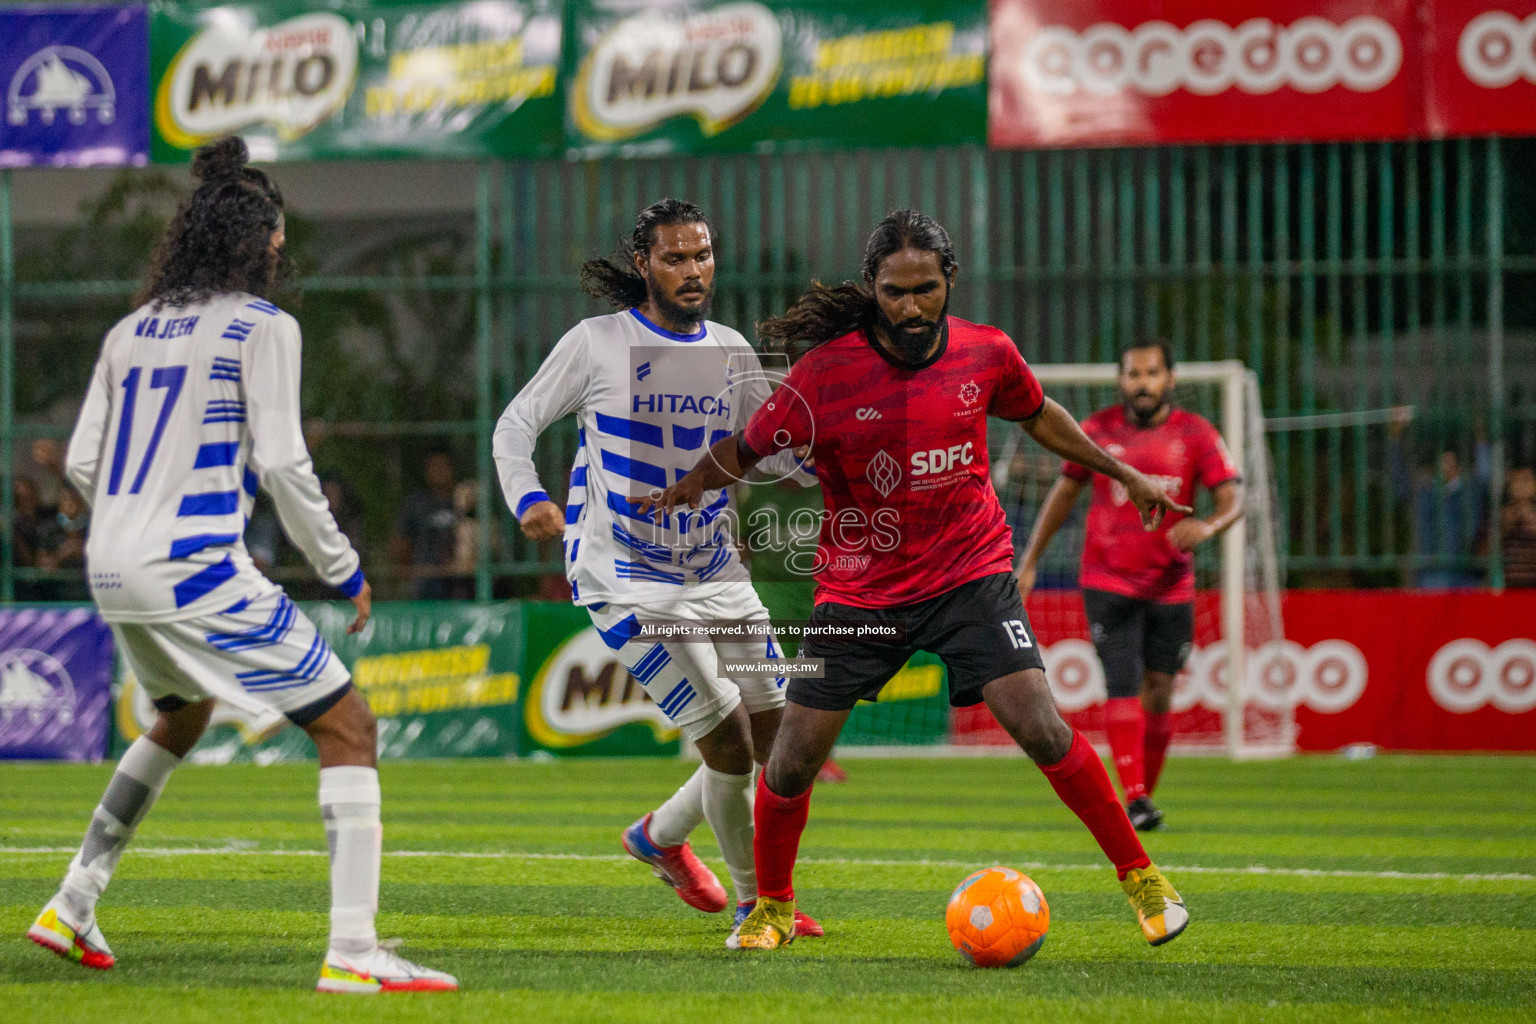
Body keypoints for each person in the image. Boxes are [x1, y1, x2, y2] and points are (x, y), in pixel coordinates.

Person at [636, 209, 1193, 951]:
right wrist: (685, 491)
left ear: (948, 281)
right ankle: (770, 906)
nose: (910, 307)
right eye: (894, 292)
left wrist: (1124, 472)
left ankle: (1143, 879)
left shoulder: (986, 352)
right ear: (872, 286)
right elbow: (743, 447)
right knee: (794, 757)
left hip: (971, 573)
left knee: (1039, 723)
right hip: (861, 592)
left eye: (924, 289)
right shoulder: (825, 375)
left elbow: (1039, 415)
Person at [26, 135, 455, 994]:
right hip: (191, 566)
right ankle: (355, 951)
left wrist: (128, 514)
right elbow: (287, 466)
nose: (280, 254)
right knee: (349, 727)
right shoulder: (263, 326)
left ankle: (72, 902)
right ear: (256, 246)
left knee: (179, 717)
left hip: (112, 570)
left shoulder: (128, 331)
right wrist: (341, 567)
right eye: (277, 242)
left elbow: (80, 463)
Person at [493, 198, 822, 947]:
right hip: (625, 578)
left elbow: (766, 451)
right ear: (644, 264)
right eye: (675, 258)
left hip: (713, 567)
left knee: (780, 737)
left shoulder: (734, 350)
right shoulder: (597, 342)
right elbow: (515, 424)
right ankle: (757, 903)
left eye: (702, 255)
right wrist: (529, 499)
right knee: (730, 740)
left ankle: (659, 836)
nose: (693, 270)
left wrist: (825, 452)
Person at [1018, 341, 1242, 830]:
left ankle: (1143, 796)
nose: (1142, 382)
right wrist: (1031, 558)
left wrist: (1207, 528)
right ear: (1121, 380)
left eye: (1152, 372)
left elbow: (1232, 499)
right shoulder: (1096, 431)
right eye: (1134, 373)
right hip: (1107, 578)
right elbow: (1064, 493)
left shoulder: (1197, 434)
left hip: (1171, 583)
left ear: (1170, 378)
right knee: (1121, 683)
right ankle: (1137, 799)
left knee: (1160, 690)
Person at [1389, 414, 1489, 588]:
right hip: (1431, 574)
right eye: (1443, 463)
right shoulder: (1424, 492)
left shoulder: (1470, 491)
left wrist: (1481, 437)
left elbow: (1485, 477)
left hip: (1465, 574)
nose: (1446, 468)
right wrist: (1395, 436)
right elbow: (1399, 482)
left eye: (1451, 463)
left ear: (1458, 466)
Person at [391, 449, 461, 599]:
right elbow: (401, 544)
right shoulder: (416, 504)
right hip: (424, 585)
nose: (439, 471)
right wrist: (410, 574)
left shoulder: (464, 503)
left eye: (444, 466)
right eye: (434, 466)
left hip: (459, 584)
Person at [34, 484, 93, 601]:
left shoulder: (92, 528)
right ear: (59, 505)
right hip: (58, 596)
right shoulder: (48, 529)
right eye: (65, 500)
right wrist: (63, 554)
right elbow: (42, 565)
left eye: (74, 499)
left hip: (88, 594)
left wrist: (84, 551)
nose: (70, 504)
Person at [1497, 467, 1536, 587]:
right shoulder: (1499, 515)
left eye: (1525, 480)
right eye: (1515, 480)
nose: (1520, 486)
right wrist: (1503, 529)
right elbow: (1481, 555)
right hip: (1508, 588)